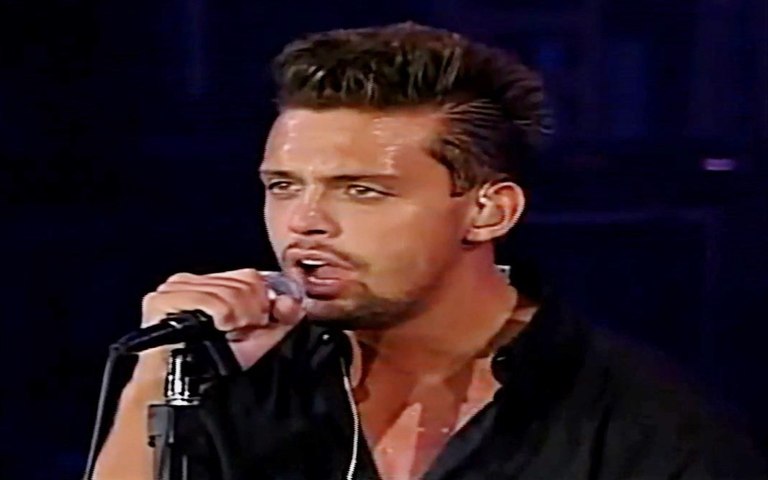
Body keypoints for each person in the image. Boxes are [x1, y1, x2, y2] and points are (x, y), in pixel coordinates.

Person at [94, 22, 766, 480]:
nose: (304, 222)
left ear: (488, 210)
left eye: (361, 190)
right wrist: (156, 377)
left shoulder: (645, 426)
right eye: (282, 186)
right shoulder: (233, 380)